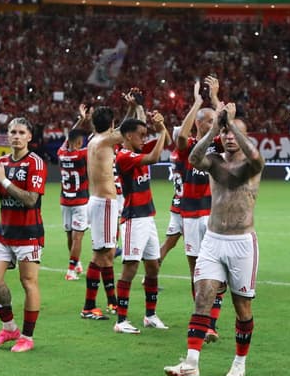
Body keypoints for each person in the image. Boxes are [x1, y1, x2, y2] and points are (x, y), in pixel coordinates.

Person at [164, 101, 264, 376]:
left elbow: (256, 159)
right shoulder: (216, 163)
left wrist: (230, 122)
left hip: (242, 242)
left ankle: (240, 362)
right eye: (227, 133)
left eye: (235, 132)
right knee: (203, 298)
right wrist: (213, 131)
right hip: (213, 239)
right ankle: (191, 363)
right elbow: (194, 158)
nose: (230, 136)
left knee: (242, 308)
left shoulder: (251, 165)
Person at [0, 117, 46, 353]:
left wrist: (3, 179)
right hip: (4, 232)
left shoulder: (35, 163)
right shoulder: (0, 163)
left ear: (30, 137)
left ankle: (27, 337)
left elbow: (31, 200)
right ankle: (9, 328)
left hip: (29, 233)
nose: (16, 136)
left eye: (21, 132)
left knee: (28, 282)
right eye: (12, 132)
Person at [112, 112, 170, 334]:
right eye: (141, 135)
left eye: (146, 135)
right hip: (133, 219)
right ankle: (121, 320)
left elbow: (167, 143)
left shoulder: (138, 150)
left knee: (153, 266)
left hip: (148, 217)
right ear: (127, 136)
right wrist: (162, 130)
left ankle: (150, 315)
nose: (145, 139)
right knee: (130, 268)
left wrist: (161, 126)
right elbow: (154, 158)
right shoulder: (124, 157)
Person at [174, 77, 220, 340]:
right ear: (199, 123)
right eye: (209, 121)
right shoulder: (189, 146)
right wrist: (197, 103)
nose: (214, 125)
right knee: (196, 269)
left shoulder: (221, 145)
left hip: (213, 215)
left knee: (216, 268)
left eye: (216, 121)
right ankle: (200, 317)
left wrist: (215, 100)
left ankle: (211, 324)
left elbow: (229, 124)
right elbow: (181, 135)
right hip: (190, 215)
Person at [80, 106, 122, 320]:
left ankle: (112, 302)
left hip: (100, 201)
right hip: (104, 203)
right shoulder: (104, 141)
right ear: (112, 123)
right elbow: (131, 130)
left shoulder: (93, 139)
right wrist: (137, 108)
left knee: (107, 254)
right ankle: (88, 306)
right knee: (100, 254)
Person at [58, 105, 92, 281]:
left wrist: (81, 119)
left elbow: (70, 136)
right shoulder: (82, 155)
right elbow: (96, 139)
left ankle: (75, 263)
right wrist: (89, 120)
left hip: (65, 201)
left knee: (70, 235)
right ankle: (71, 270)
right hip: (80, 202)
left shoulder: (61, 153)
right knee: (78, 237)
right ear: (79, 143)